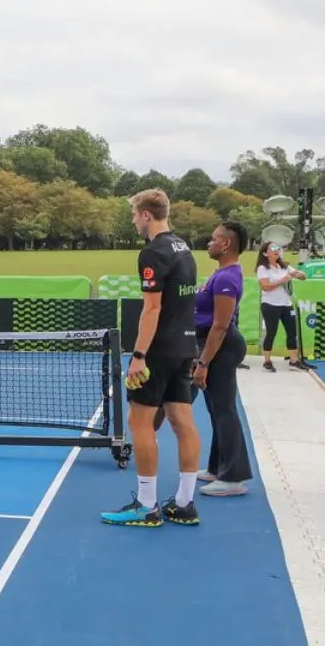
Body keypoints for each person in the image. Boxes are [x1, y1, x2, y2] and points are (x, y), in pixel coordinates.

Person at [102, 189, 202, 527]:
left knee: (139, 423)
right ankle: (185, 504)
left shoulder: (153, 253)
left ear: (146, 214)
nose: (133, 220)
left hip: (158, 350)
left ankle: (147, 506)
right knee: (182, 422)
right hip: (185, 347)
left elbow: (153, 308)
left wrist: (139, 355)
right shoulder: (184, 248)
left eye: (134, 214)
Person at [193, 222, 254, 497]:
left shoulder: (227, 278)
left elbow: (220, 325)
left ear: (226, 244)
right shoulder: (220, 274)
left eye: (214, 239)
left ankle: (233, 478)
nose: (209, 243)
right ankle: (218, 467)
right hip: (214, 344)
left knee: (225, 410)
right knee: (217, 410)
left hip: (221, 347)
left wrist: (203, 363)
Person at [255, 242, 310, 371]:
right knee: (271, 333)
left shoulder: (284, 266)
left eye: (278, 248)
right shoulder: (263, 268)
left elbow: (303, 277)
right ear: (265, 253)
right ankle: (267, 361)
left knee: (292, 332)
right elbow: (265, 287)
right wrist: (281, 281)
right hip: (270, 305)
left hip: (286, 304)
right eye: (273, 249)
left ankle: (294, 361)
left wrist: (298, 274)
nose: (276, 251)